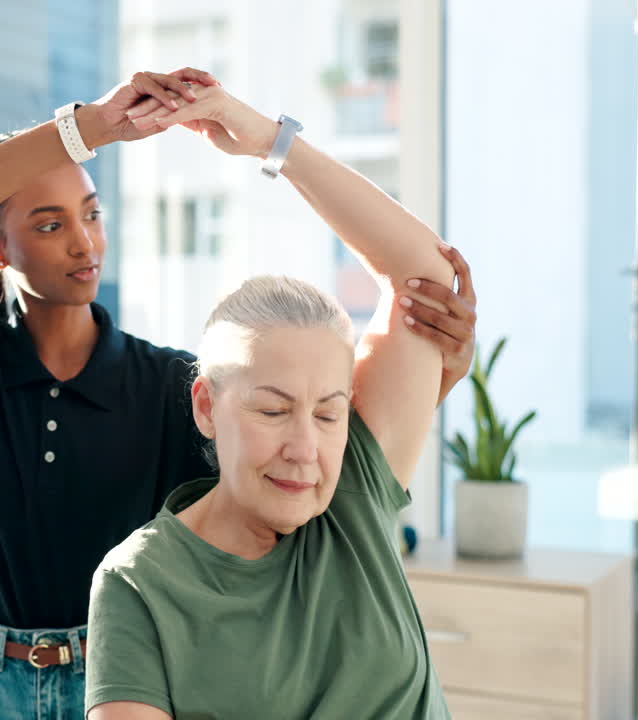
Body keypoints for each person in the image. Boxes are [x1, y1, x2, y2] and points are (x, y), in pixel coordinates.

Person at [0, 68, 478, 720]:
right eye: (48, 225)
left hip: (132, 667)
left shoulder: (170, 386)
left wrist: (431, 371)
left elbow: (297, 440)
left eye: (92, 214)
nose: (83, 240)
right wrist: (94, 125)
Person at [85, 82, 456, 719]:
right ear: (206, 406)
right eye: (273, 409)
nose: (305, 449)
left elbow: (426, 273)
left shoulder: (354, 490)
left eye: (328, 412)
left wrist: (270, 140)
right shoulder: (138, 584)